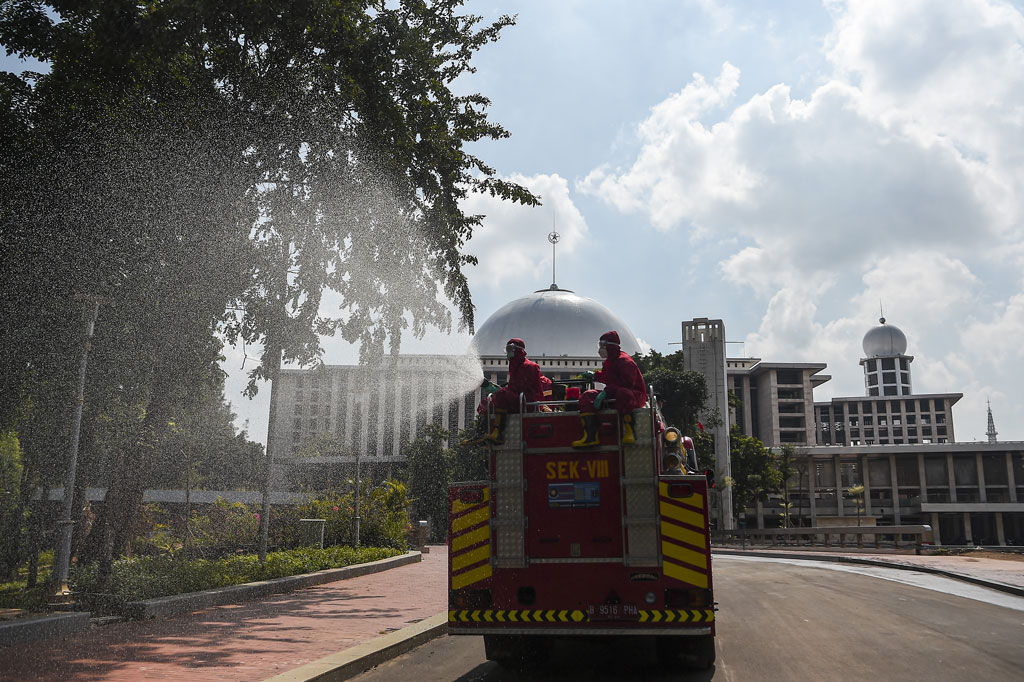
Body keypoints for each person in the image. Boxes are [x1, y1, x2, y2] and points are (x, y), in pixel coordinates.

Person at [573, 331, 648, 447]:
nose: (600, 349)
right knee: (588, 396)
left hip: (634, 396)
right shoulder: (609, 362)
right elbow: (607, 377)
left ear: (610, 346)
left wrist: (606, 392)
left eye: (603, 346)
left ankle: (629, 430)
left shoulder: (625, 361)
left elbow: (627, 384)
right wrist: (594, 375)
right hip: (614, 393)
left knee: (623, 393)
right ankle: (591, 436)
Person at [484, 338, 545, 444]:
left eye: (510, 350)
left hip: (527, 402)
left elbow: (520, 388)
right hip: (517, 401)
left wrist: (502, 392)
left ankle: (498, 433)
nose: (508, 354)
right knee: (486, 402)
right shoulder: (515, 366)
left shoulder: (529, 366)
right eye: (507, 350)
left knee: (501, 395)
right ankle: (481, 433)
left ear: (518, 350)